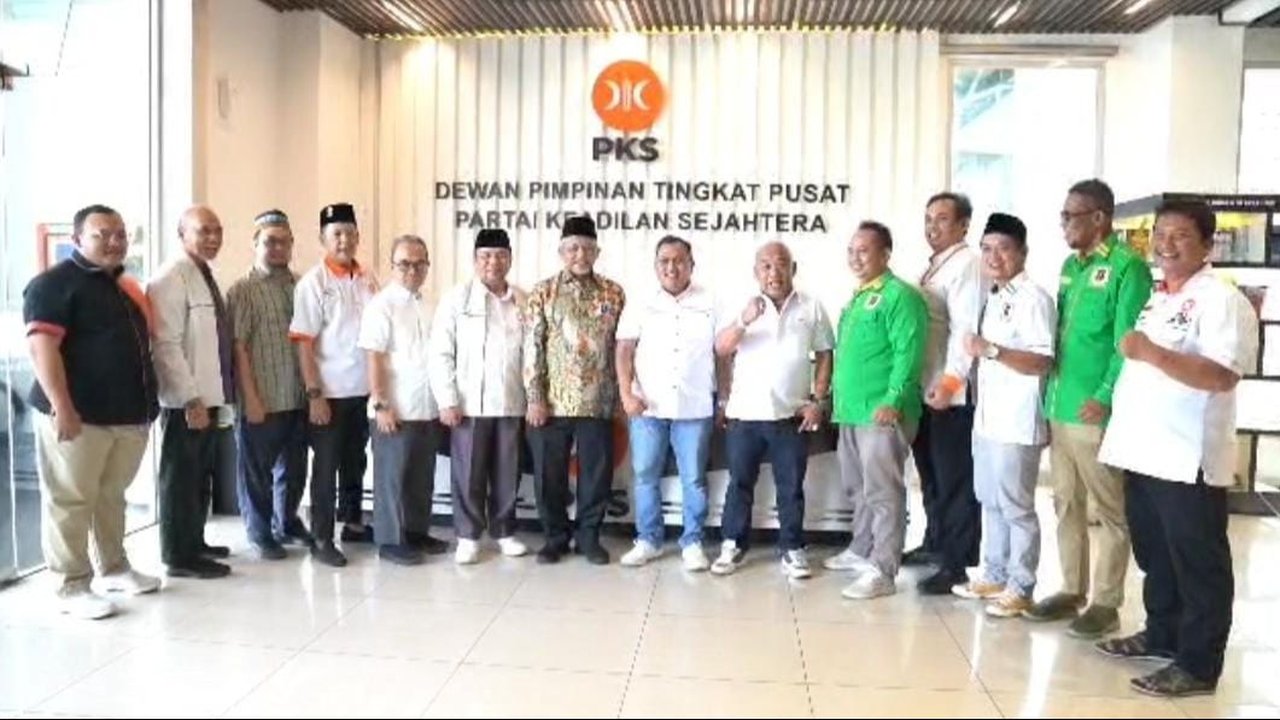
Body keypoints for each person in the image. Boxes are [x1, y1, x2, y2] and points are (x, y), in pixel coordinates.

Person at [1096, 200, 1254, 698]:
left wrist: (1153, 353)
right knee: (1156, 554)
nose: (1166, 243)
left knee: (1198, 563)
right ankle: (1162, 632)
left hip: (1187, 457)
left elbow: (1222, 375)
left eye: (1180, 235)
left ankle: (1198, 664)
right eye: (1160, 233)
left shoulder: (1221, 300)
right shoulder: (1159, 296)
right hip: (1143, 450)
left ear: (1207, 245)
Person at [1025, 179, 1153, 639]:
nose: (1063, 225)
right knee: (1065, 502)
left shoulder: (1127, 268)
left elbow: (1127, 344)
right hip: (1060, 404)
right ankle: (1071, 589)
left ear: (1099, 218)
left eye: (1070, 216)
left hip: (1095, 411)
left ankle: (1106, 603)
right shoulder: (1070, 267)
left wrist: (1104, 394)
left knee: (1110, 509)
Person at [24, 204, 161, 619]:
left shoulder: (122, 286)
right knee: (71, 499)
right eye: (102, 234)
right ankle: (70, 585)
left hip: (125, 415)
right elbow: (42, 349)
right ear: (77, 239)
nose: (114, 242)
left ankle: (113, 568)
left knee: (110, 496)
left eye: (120, 234)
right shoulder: (53, 285)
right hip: (78, 416)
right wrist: (62, 407)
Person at [951, 213, 1056, 618]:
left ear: (1023, 253)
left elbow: (1042, 360)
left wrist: (992, 350)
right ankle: (994, 573)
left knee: (1016, 507)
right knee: (990, 500)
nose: (994, 257)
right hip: (988, 419)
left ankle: (1021, 585)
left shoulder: (1034, 298)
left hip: (1018, 421)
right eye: (987, 249)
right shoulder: (994, 295)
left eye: (1004, 249)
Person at [710, 241, 834, 580]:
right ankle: (732, 544)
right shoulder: (743, 304)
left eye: (781, 264)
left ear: (793, 269)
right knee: (739, 484)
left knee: (790, 487)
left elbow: (825, 354)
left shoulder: (811, 306)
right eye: (766, 265)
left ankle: (792, 548)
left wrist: (818, 400)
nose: (774, 272)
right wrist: (743, 320)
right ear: (756, 272)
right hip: (744, 416)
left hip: (790, 417)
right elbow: (721, 348)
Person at [825, 222, 928, 599]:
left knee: (883, 492)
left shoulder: (900, 296)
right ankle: (861, 548)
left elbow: (909, 351)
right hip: (851, 411)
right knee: (858, 487)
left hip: (882, 413)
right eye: (851, 250)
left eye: (864, 250)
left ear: (885, 254)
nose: (855, 257)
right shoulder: (859, 297)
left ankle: (883, 570)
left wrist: (894, 400)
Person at [523, 215, 626, 565]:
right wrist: (535, 397)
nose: (580, 254)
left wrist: (621, 396)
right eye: (572, 248)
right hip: (552, 403)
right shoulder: (543, 292)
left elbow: (622, 347)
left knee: (596, 476)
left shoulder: (614, 293)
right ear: (561, 252)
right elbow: (532, 347)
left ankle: (588, 537)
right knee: (549, 477)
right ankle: (555, 537)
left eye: (586, 248)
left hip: (599, 401)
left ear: (597, 252)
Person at [616, 235, 718, 572]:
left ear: (691, 265)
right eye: (664, 261)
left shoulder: (711, 300)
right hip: (648, 406)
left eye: (679, 261)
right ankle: (648, 539)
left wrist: (724, 398)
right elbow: (624, 350)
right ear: (655, 265)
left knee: (694, 478)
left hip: (695, 405)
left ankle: (693, 542)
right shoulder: (640, 302)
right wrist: (626, 394)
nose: (671, 267)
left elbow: (722, 353)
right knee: (646, 475)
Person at [430, 228, 530, 564]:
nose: (493, 262)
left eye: (500, 255)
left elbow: (532, 354)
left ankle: (504, 532)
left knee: (508, 472)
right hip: (468, 404)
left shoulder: (522, 300)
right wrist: (447, 399)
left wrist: (533, 397)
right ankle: (467, 535)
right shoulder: (456, 300)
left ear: (510, 259)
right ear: (475, 260)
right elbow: (440, 352)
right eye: (486, 256)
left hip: (511, 402)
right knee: (468, 472)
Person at [290, 202, 381, 567]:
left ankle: (354, 523)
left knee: (355, 461)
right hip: (329, 393)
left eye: (349, 233)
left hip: (363, 391)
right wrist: (314, 394)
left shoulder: (367, 277)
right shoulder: (314, 283)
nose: (344, 240)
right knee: (326, 467)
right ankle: (321, 538)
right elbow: (303, 343)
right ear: (323, 239)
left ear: (358, 236)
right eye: (336, 234)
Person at [904, 192, 986, 595]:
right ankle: (935, 541)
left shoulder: (969, 264)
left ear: (963, 224)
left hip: (950, 394)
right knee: (931, 475)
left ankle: (956, 563)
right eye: (928, 219)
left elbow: (964, 330)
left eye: (941, 219)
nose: (932, 226)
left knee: (955, 480)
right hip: (926, 388)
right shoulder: (934, 266)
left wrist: (952, 381)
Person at [148, 205, 234, 579]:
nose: (213, 237)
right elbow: (165, 344)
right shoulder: (170, 277)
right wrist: (189, 398)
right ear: (182, 234)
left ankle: (194, 542)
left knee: (199, 475)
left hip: (208, 395)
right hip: (186, 401)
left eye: (217, 230)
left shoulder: (202, 274)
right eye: (203, 230)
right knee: (180, 478)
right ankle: (178, 556)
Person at [227, 209, 312, 559]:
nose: (277, 248)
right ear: (255, 243)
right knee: (257, 474)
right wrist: (250, 398)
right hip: (262, 398)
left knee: (294, 470)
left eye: (284, 242)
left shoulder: (301, 285)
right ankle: (260, 533)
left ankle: (286, 522)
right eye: (270, 241)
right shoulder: (243, 290)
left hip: (297, 396)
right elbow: (238, 347)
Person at [359, 235, 444, 566]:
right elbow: (374, 357)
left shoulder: (430, 304)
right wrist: (381, 403)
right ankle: (390, 541)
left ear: (427, 266)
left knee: (421, 477)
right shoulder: (381, 306)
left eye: (419, 263)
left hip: (425, 407)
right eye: (405, 263)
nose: (412, 269)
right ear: (392, 266)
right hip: (394, 408)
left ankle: (416, 532)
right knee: (391, 478)